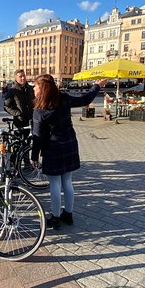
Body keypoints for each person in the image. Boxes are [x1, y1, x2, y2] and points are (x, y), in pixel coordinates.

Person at [30, 74, 108, 229]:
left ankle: (55, 217)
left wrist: (33, 156)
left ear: (42, 88)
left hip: (52, 149)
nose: (33, 88)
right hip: (69, 145)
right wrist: (97, 86)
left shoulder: (39, 110)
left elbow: (37, 136)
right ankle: (68, 215)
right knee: (67, 181)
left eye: (35, 86)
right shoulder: (63, 98)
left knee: (55, 184)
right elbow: (85, 99)